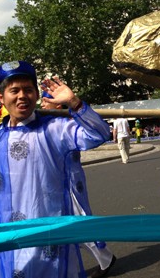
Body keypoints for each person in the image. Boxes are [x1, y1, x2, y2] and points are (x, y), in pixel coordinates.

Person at [0, 60, 111, 278]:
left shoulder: (56, 128)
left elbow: (99, 134)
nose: (22, 96)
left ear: (36, 95)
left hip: (48, 229)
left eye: (28, 90)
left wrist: (74, 102)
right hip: (7, 229)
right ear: (1, 98)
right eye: (14, 91)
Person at [41, 92, 116, 278]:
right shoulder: (41, 124)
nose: (41, 104)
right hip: (50, 187)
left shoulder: (69, 125)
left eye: (45, 100)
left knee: (79, 221)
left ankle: (105, 258)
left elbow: (99, 133)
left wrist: (75, 104)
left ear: (58, 104)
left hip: (69, 184)